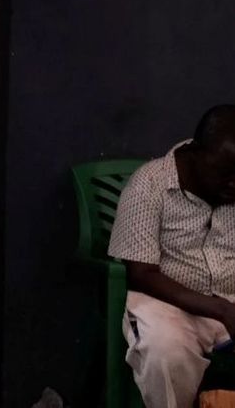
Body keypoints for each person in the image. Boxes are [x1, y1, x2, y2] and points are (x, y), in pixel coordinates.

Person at [109, 105, 235, 408]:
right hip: (167, 305)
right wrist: (220, 309)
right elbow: (141, 273)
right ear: (195, 155)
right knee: (167, 352)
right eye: (225, 173)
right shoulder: (149, 185)